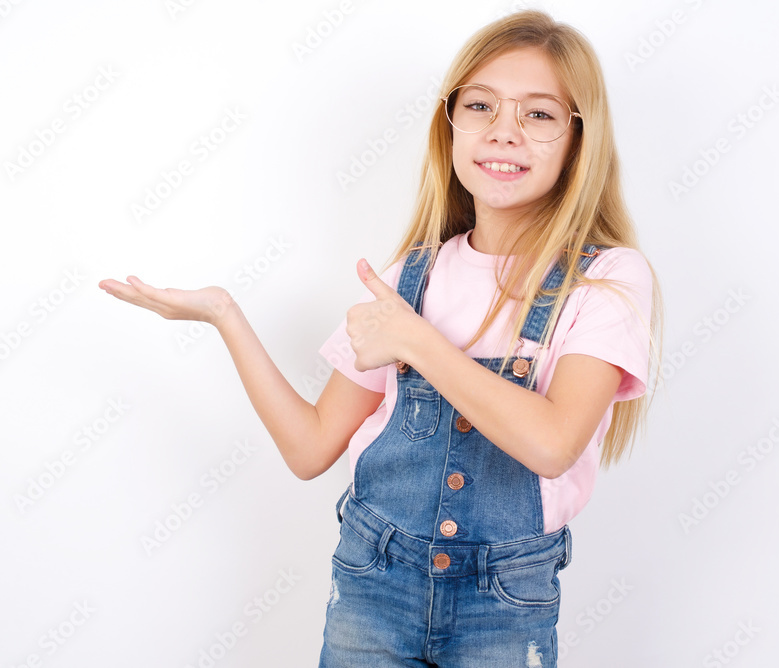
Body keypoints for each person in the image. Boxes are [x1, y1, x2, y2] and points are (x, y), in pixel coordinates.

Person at [99, 8, 663, 667]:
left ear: (578, 139)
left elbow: (552, 443)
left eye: (538, 114)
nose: (504, 131)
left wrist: (416, 342)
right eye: (480, 105)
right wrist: (225, 315)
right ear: (450, 125)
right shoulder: (409, 280)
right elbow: (310, 448)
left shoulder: (606, 279)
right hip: (373, 586)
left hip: (504, 606)